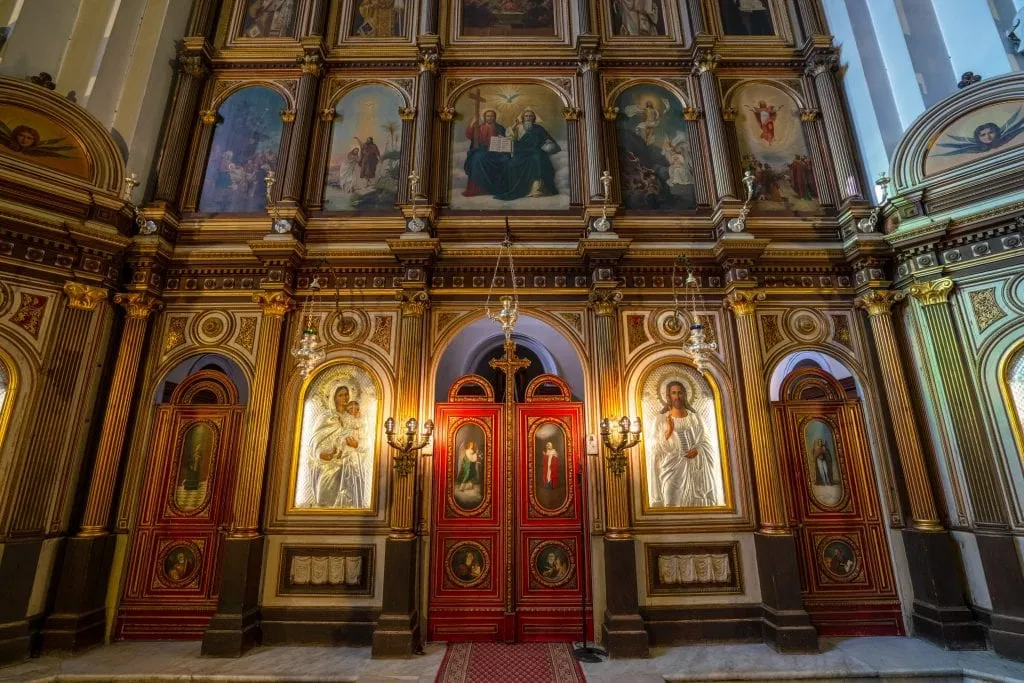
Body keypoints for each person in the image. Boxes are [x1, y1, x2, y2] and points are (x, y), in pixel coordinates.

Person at [649, 380, 716, 507]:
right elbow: (654, 447)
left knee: (696, 503)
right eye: (673, 393)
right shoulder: (661, 419)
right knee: (670, 500)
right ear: (668, 396)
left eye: (680, 393)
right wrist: (669, 431)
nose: (677, 396)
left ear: (684, 394)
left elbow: (706, 441)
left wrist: (698, 450)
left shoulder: (695, 417)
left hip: (695, 468)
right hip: (671, 468)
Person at [308, 385, 366, 508]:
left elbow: (365, 440)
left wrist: (357, 445)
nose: (345, 398)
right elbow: (314, 441)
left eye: (346, 394)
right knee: (323, 496)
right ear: (334, 398)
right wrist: (320, 454)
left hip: (349, 463)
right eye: (341, 395)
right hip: (329, 464)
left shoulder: (353, 417)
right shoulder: (325, 417)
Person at [496, 108, 560, 200]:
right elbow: (511, 140)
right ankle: (515, 189)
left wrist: (548, 143)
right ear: (523, 118)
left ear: (534, 118)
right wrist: (513, 127)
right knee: (511, 164)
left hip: (535, 152)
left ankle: (536, 190)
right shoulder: (518, 127)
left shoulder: (539, 128)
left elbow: (546, 139)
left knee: (537, 159)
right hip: (521, 153)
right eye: (526, 116)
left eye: (530, 116)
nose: (528, 118)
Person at [463, 109, 507, 196]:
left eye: (492, 116)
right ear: (484, 117)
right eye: (488, 116)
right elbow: (469, 135)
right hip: (481, 150)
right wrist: (472, 123)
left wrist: (502, 139)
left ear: (495, 117)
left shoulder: (500, 128)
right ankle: (478, 189)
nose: (490, 118)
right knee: (477, 158)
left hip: (496, 151)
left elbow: (504, 141)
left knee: (505, 159)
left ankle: (497, 188)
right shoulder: (479, 128)